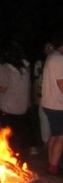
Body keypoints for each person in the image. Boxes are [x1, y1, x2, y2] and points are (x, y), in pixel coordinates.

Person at [0, 42, 32, 155]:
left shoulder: (5, 68)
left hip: (8, 109)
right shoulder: (26, 68)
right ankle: (21, 157)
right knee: (20, 136)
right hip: (22, 108)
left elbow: (2, 89)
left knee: (8, 138)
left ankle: (10, 158)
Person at [41, 34, 63, 174]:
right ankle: (53, 168)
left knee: (55, 135)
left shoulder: (52, 57)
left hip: (49, 103)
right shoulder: (59, 59)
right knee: (61, 136)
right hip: (57, 105)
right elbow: (61, 84)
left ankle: (51, 163)